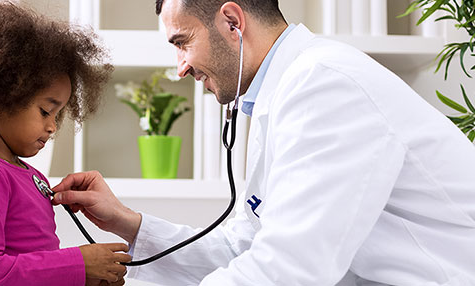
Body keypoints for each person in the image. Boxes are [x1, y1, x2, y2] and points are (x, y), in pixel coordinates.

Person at [51, 0, 475, 285]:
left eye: (182, 42)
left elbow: (289, 269)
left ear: (232, 22)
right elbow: (245, 246)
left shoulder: (324, 84)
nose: (179, 67)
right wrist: (127, 222)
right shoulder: (283, 90)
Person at [0, 3, 131, 285]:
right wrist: (78, 262)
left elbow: (32, 266)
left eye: (57, 114)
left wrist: (86, 277)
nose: (52, 126)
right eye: (45, 111)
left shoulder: (30, 175)